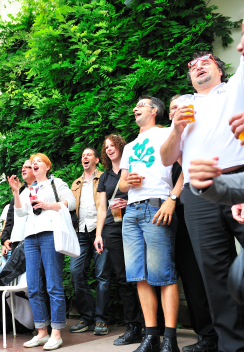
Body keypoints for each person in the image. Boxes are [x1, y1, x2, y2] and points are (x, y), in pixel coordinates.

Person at [160, 24, 244, 351]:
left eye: (205, 61)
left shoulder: (236, 88)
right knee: (215, 275)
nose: (198, 66)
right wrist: (176, 128)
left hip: (238, 179)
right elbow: (168, 159)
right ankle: (231, 346)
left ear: (219, 69)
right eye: (192, 66)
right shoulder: (183, 105)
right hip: (198, 194)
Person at [119, 96, 183, 352]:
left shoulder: (168, 132)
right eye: (135, 106)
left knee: (163, 275)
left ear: (155, 110)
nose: (135, 108)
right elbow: (122, 184)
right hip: (131, 212)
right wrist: (128, 182)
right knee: (139, 276)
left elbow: (186, 167)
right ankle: (150, 337)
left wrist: (172, 199)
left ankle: (170, 339)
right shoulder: (129, 146)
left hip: (157, 207)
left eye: (141, 105)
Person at [8, 153, 76, 351]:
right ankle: (41, 332)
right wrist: (15, 191)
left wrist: (48, 205)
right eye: (33, 162)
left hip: (50, 235)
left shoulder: (56, 183)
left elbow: (70, 203)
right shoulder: (28, 189)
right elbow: (20, 213)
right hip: (30, 237)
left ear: (47, 167)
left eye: (38, 162)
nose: (34, 164)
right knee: (34, 286)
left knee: (53, 284)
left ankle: (56, 333)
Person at [166, 96, 218, 352]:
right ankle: (205, 334)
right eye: (172, 108)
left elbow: (188, 167)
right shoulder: (166, 138)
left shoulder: (199, 129)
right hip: (172, 216)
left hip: (193, 205)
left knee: (209, 271)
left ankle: (217, 334)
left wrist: (173, 197)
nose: (177, 110)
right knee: (189, 275)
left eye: (181, 106)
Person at [94, 135, 143, 346]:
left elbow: (143, 192)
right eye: (106, 147)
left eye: (112, 145)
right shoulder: (104, 177)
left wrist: (128, 200)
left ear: (121, 147)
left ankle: (150, 324)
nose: (109, 149)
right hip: (112, 229)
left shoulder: (132, 168)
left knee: (141, 275)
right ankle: (132, 325)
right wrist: (98, 234)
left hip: (135, 224)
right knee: (122, 278)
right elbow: (102, 208)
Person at [69, 147, 112, 336]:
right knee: (76, 273)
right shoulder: (76, 183)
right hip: (80, 233)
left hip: (99, 231)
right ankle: (87, 317)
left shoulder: (104, 178)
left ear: (96, 160)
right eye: (82, 155)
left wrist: (100, 233)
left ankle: (101, 320)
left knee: (102, 276)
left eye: (88, 155)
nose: (84, 157)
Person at [1, 159, 36, 254]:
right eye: (22, 168)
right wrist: (5, 239)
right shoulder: (19, 193)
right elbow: (9, 219)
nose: (23, 170)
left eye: (27, 167)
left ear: (36, 169)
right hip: (16, 240)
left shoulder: (42, 189)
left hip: (35, 239)